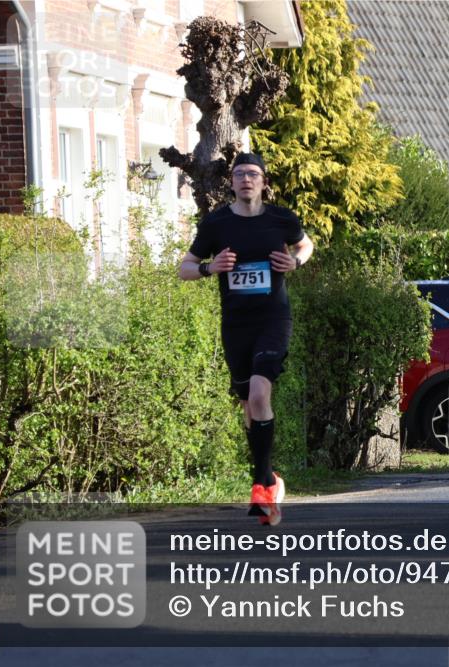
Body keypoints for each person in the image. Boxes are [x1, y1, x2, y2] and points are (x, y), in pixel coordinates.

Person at [178, 152, 314, 525]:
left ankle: (260, 487)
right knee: (248, 407)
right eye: (239, 174)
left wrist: (296, 262)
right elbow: (184, 267)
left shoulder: (281, 218)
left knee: (258, 393)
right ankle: (271, 479)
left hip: (273, 318)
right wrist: (209, 268)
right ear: (233, 182)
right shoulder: (217, 223)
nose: (246, 180)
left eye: (253, 174)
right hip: (236, 323)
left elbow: (306, 244)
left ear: (264, 182)